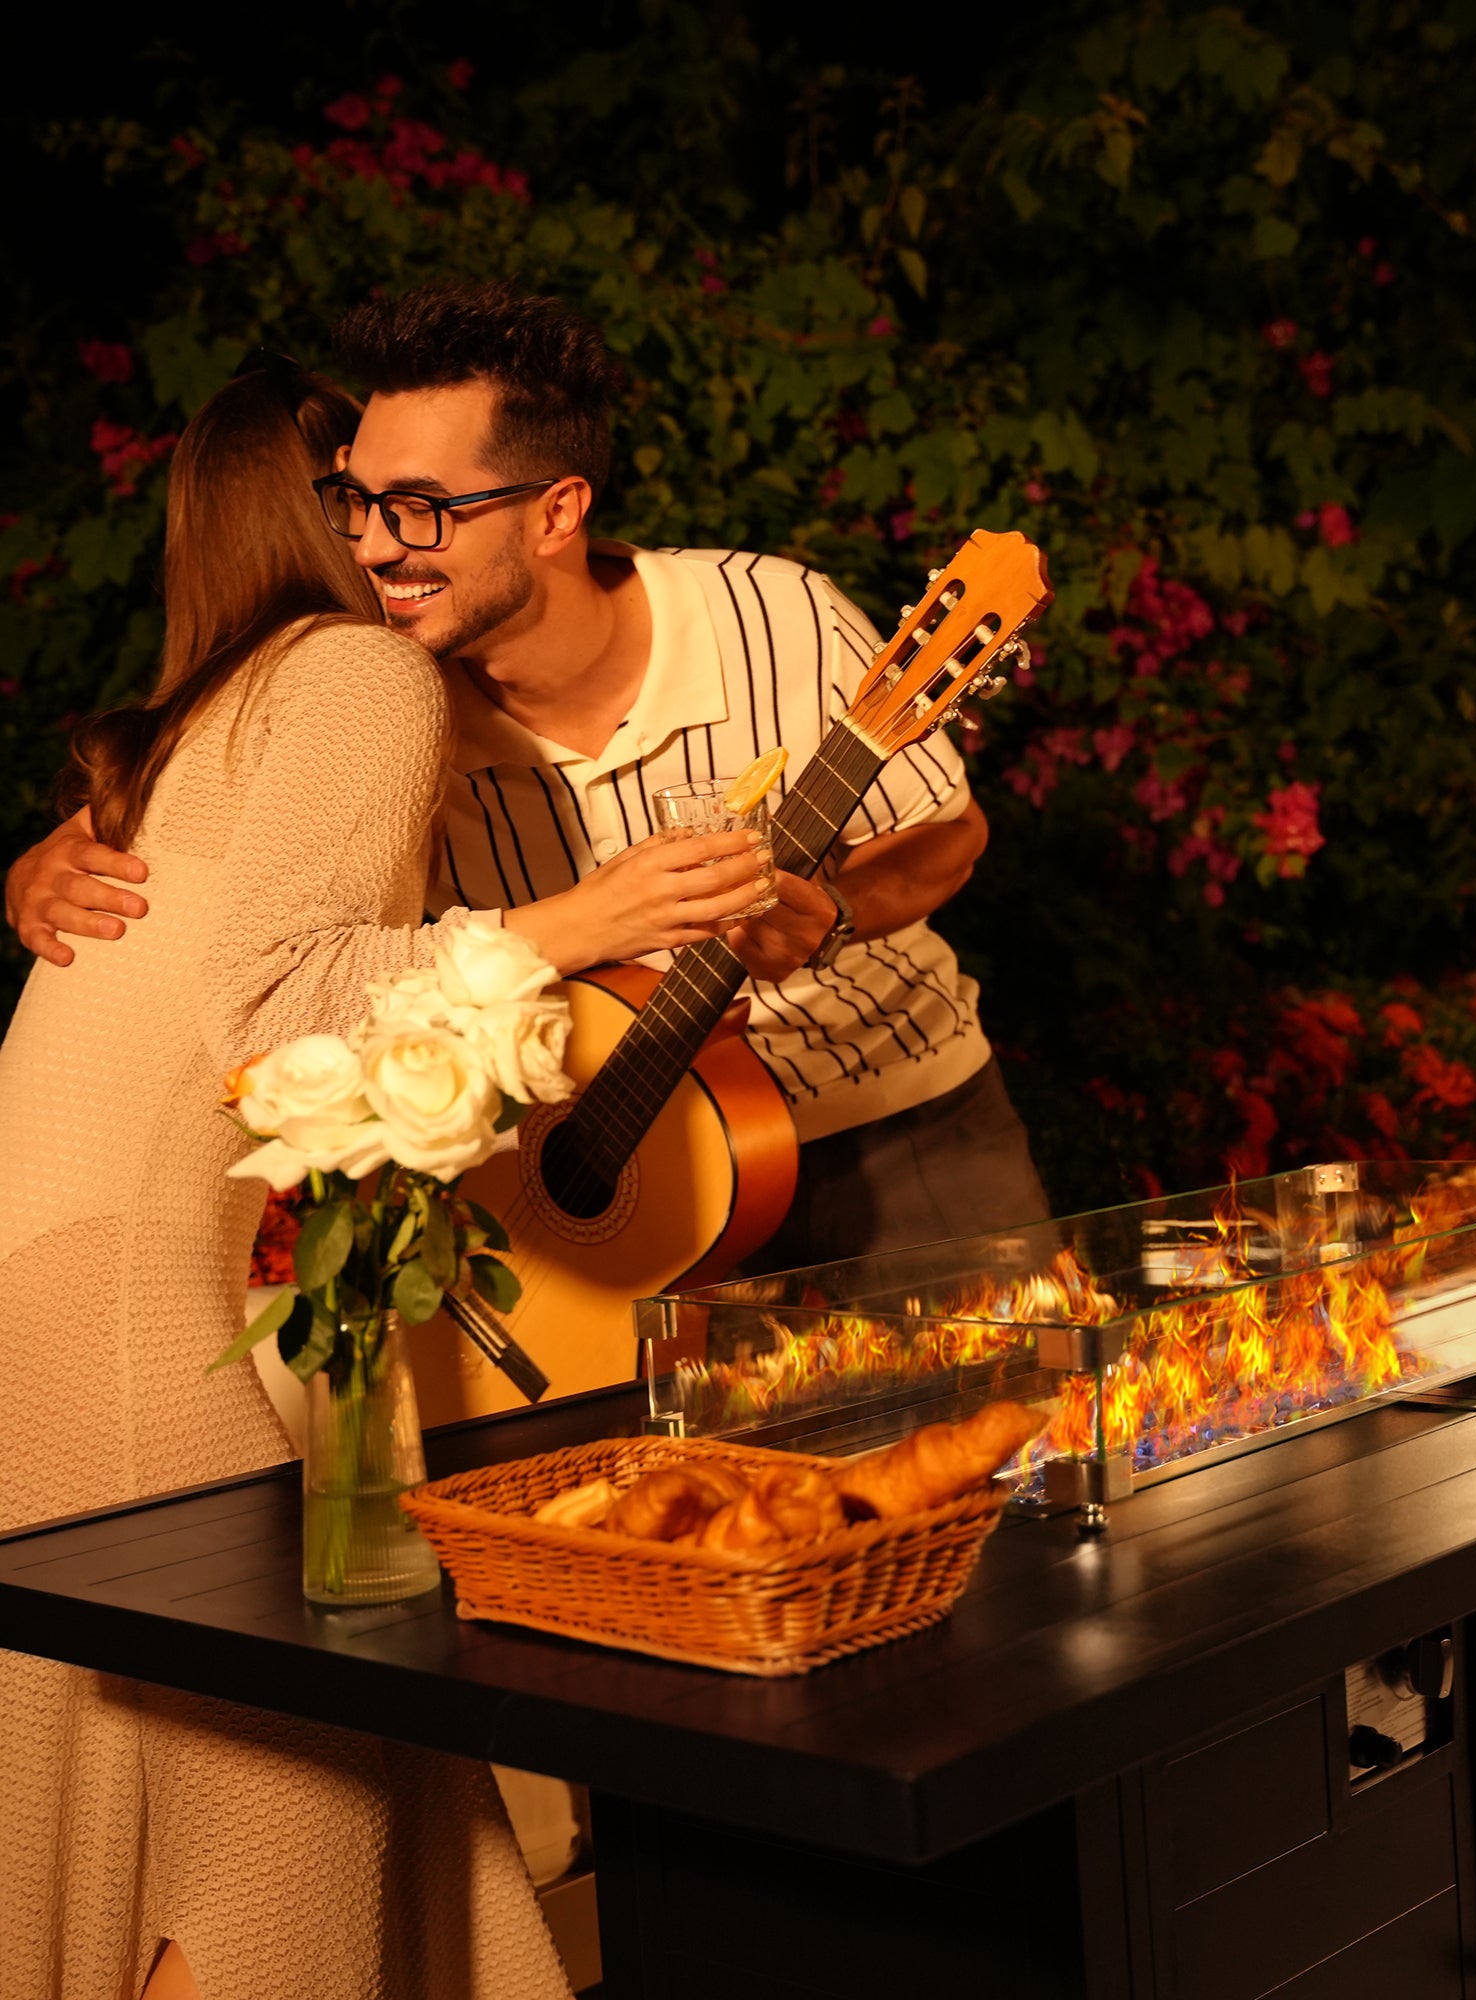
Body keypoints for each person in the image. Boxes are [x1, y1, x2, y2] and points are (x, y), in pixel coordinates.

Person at [0, 357, 766, 1998]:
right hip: (126, 1319)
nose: (405, 530)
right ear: (314, 512)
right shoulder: (353, 678)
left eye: (428, 499)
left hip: (48, 1304)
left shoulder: (209, 707)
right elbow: (272, 1004)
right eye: (369, 495)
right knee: (287, 1806)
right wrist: (592, 921)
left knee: (200, 1788)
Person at [8, 281, 1049, 1270]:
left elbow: (948, 834)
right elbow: (265, 918)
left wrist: (830, 912)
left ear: (556, 513)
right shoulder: (380, 708)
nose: (370, 546)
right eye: (354, 503)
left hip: (893, 1120)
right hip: (613, 1183)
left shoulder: (775, 616)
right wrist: (65, 854)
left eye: (417, 507)